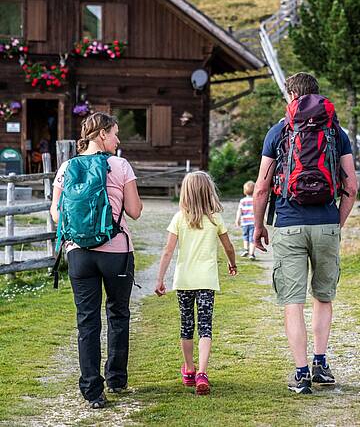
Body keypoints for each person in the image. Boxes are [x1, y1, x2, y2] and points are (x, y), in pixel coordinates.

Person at [253, 72, 357, 395]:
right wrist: (335, 223)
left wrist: (258, 227)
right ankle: (321, 364)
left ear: (291, 97)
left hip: (287, 223)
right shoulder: (336, 132)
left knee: (293, 301)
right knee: (323, 297)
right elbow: (351, 187)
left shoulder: (278, 131)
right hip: (325, 221)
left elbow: (260, 189)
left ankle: (301, 374)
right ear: (315, 95)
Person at [50, 112, 142, 409]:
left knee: (87, 321)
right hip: (115, 252)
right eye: (115, 133)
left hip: (78, 253)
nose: (118, 139)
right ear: (102, 134)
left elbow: (55, 212)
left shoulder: (66, 167)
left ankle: (92, 391)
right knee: (118, 314)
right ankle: (115, 378)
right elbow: (136, 210)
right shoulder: (120, 165)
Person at [154, 171, 237, 396]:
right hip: (206, 280)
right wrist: (232, 263)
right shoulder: (215, 218)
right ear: (208, 191)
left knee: (186, 324)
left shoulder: (179, 217)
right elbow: (228, 246)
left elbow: (168, 250)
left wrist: (160, 279)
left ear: (186, 192)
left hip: (184, 280)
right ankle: (202, 372)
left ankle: (189, 370)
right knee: (205, 326)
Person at [235, 180, 255, 259]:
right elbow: (258, 211)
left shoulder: (242, 201)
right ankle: (251, 254)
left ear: (244, 191)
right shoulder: (255, 200)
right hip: (253, 222)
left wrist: (237, 220)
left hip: (245, 222)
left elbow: (239, 211)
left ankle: (246, 249)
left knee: (245, 236)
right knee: (252, 238)